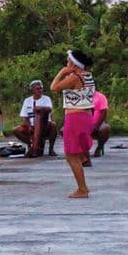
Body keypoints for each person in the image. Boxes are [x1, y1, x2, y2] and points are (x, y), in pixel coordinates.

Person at [51, 49, 96, 199]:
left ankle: (82, 189)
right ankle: (83, 186)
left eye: (68, 61)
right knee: (76, 154)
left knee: (70, 155)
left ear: (73, 63)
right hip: (86, 116)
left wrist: (62, 71)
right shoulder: (87, 75)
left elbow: (54, 87)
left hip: (76, 117)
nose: (66, 63)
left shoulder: (75, 77)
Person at [13, 80, 57, 157]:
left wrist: (40, 108)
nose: (40, 90)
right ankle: (31, 145)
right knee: (16, 130)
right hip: (32, 125)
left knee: (53, 125)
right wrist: (29, 126)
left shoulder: (46, 99)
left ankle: (51, 149)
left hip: (45, 125)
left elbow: (49, 109)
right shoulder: (27, 101)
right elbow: (25, 116)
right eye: (37, 88)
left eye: (41, 88)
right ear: (32, 90)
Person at [86, 89, 111, 164]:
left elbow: (104, 112)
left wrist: (96, 126)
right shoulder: (80, 96)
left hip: (97, 123)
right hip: (83, 123)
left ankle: (98, 149)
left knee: (106, 128)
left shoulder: (100, 96)